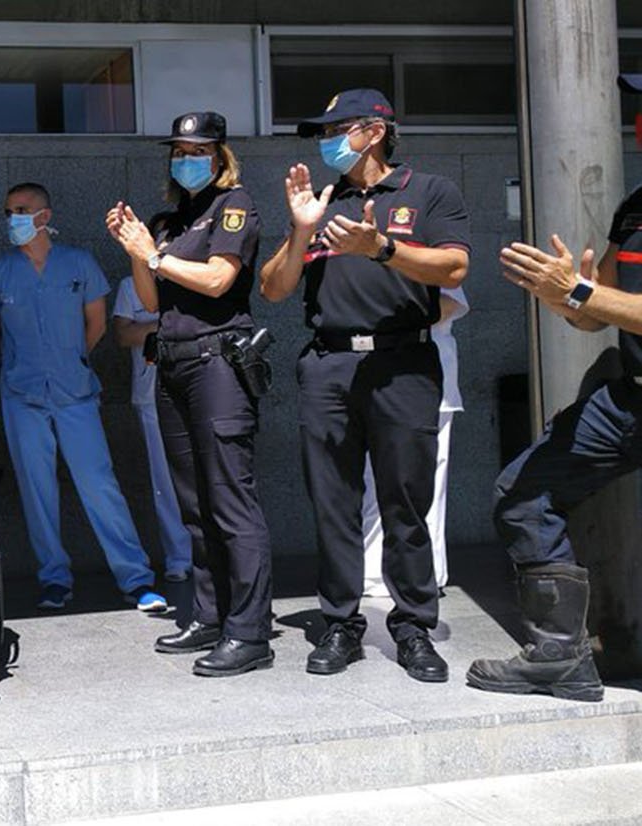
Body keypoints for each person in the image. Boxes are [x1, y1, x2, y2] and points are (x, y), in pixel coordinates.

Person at [260, 88, 470, 683]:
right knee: (333, 503)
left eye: (339, 128)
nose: (327, 141)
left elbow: (454, 268)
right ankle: (341, 624)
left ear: (374, 131)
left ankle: (412, 627)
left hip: (402, 364)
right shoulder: (322, 201)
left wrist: (380, 247)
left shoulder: (429, 192)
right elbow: (274, 289)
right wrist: (302, 231)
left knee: (406, 502)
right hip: (329, 366)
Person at [466, 72, 642, 703]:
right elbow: (605, 311)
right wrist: (570, 302)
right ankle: (559, 655)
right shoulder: (636, 207)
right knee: (523, 493)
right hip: (630, 398)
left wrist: (585, 292)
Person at [106, 111, 275, 676]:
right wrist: (136, 246)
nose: (185, 159)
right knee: (194, 505)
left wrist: (154, 256)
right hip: (172, 364)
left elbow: (218, 279)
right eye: (178, 151)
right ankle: (209, 615)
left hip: (217, 362)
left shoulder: (235, 206)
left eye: (196, 150)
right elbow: (152, 301)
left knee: (230, 498)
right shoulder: (169, 220)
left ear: (219, 156)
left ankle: (250, 633)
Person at [0, 182, 166, 613]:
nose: (13, 219)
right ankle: (54, 580)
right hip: (21, 395)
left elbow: (95, 326)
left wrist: (67, 361)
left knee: (100, 485)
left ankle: (136, 579)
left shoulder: (79, 263)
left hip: (75, 392)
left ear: (44, 215)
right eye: (8, 211)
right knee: (37, 492)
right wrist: (25, 365)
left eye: (21, 210)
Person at [362, 287, 468, 597]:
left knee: (424, 486)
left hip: (429, 377)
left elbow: (452, 302)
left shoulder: (430, 245)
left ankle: (424, 574)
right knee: (372, 480)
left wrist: (387, 316)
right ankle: (372, 571)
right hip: (375, 378)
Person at [110, 277, 193, 584]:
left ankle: (213, 554)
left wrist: (153, 326)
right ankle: (179, 556)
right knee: (165, 480)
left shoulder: (196, 272)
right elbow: (122, 334)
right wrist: (168, 325)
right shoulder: (132, 284)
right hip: (151, 392)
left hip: (200, 388)